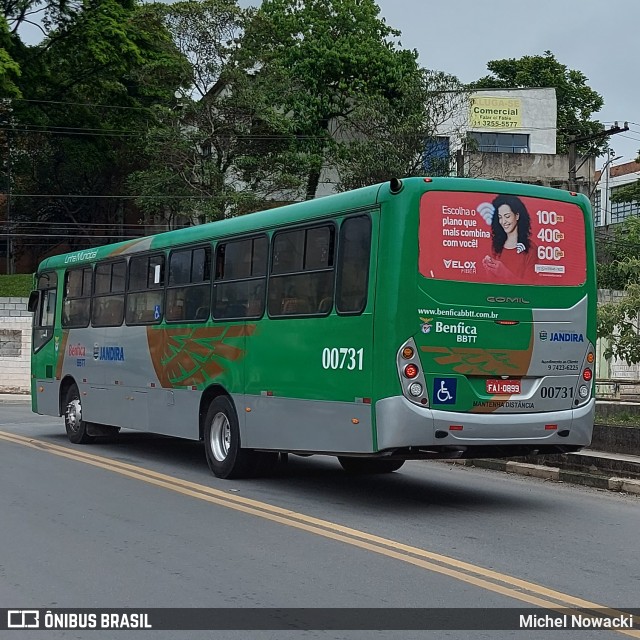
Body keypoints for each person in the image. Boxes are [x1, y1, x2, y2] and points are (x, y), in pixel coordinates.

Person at [480, 194, 537, 283]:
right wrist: (488, 270)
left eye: (507, 216)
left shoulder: (531, 249)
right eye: (500, 217)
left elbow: (530, 286)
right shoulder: (496, 246)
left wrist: (504, 273)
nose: (503, 222)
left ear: (517, 216)